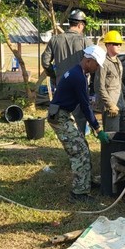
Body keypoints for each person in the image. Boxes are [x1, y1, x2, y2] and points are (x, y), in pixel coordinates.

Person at [47, 45, 110, 203]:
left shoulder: (78, 71)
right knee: (79, 150)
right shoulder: (78, 77)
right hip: (59, 116)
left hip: (62, 113)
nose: (97, 68)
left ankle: (86, 181)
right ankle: (79, 193)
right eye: (96, 65)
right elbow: (85, 106)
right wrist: (97, 128)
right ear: (89, 61)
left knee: (82, 145)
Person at [41, 10, 93, 134]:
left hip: (61, 84)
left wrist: (53, 76)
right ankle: (81, 140)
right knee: (80, 117)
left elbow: (45, 61)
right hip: (80, 85)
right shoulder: (86, 41)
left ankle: (68, 140)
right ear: (80, 25)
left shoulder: (55, 40)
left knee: (63, 116)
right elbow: (94, 63)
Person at [94, 30, 125, 134]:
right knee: (112, 135)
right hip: (110, 106)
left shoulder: (118, 61)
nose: (119, 46)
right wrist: (110, 105)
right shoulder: (103, 63)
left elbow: (118, 82)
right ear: (108, 45)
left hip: (121, 103)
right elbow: (98, 87)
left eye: (120, 44)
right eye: (116, 44)